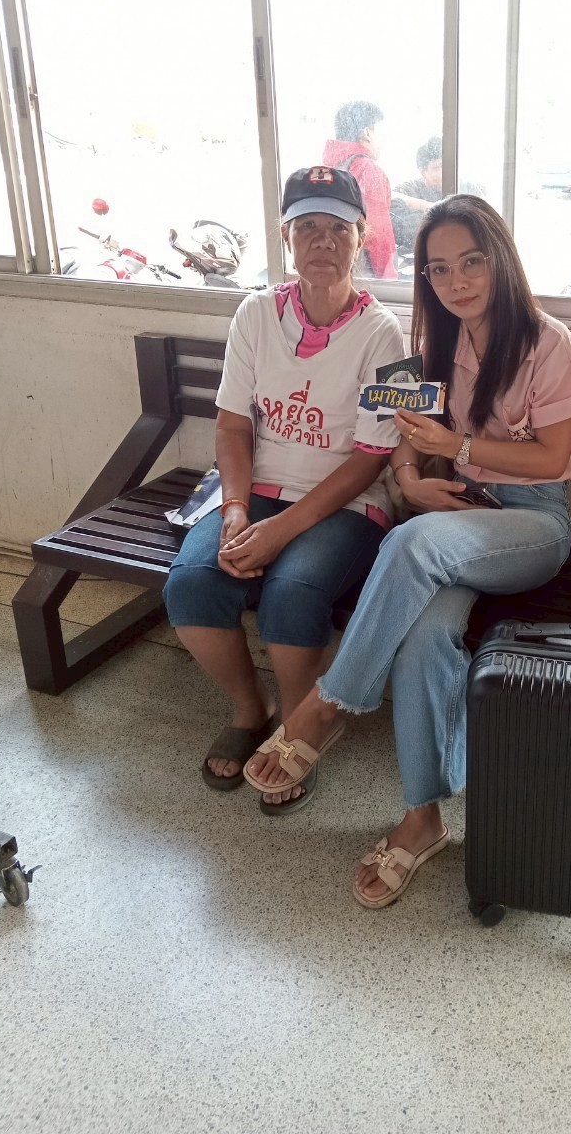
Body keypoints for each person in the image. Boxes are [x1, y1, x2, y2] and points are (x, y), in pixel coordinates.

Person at [244, 194, 571, 902]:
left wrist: (457, 448)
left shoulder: (547, 341)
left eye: (471, 262)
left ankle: (327, 703)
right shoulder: (434, 341)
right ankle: (422, 818)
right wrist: (410, 478)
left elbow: (554, 456)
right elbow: (403, 433)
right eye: (438, 269)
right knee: (425, 637)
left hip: (531, 525)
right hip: (454, 515)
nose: (456, 281)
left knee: (411, 542)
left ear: (500, 259)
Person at [162, 166, 406, 802]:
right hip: (258, 489)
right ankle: (252, 710)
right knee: (192, 582)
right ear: (285, 236)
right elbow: (232, 425)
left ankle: (301, 729)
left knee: (292, 593)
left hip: (347, 501)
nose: (323, 241)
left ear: (362, 237)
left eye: (339, 229)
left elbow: (372, 457)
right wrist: (236, 510)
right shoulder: (255, 313)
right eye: (308, 227)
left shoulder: (384, 332)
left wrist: (278, 533)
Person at [322, 101, 397, 279]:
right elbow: (378, 236)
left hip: (330, 270)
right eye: (380, 132)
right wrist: (390, 280)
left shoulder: (325, 169)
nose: (384, 140)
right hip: (361, 276)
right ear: (367, 133)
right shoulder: (367, 170)